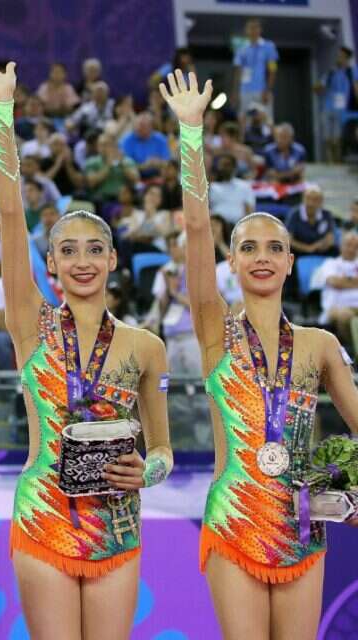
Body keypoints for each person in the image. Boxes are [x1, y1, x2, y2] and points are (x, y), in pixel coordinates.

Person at [0, 52, 172, 639]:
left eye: (94, 249)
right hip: (44, 514)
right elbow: (9, 215)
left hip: (117, 523)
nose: (82, 261)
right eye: (67, 251)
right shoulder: (31, 324)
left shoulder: (146, 346)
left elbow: (163, 451)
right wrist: (2, 112)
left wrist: (147, 471)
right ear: (49, 264)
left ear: (113, 259)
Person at [160, 67, 358, 640]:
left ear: (292, 263)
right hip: (234, 519)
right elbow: (198, 228)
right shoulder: (215, 330)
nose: (263, 257)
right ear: (233, 261)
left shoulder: (320, 345)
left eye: (275, 248)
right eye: (249, 248)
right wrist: (191, 135)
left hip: (301, 524)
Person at [314, 46, 358, 162]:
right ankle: (330, 162)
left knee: (338, 138)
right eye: (338, 56)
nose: (339, 58)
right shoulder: (331, 72)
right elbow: (319, 88)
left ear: (347, 58)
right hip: (328, 107)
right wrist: (317, 87)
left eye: (341, 56)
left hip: (343, 109)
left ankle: (338, 162)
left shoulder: (352, 71)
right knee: (328, 138)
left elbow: (356, 87)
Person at [318, 231, 358, 354]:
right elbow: (334, 282)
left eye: (355, 246)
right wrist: (353, 281)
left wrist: (345, 281)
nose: (351, 249)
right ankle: (354, 351)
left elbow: (340, 282)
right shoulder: (330, 263)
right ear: (341, 246)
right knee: (345, 316)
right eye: (348, 245)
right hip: (337, 307)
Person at [233, 19, 278, 122]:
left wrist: (267, 90)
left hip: (262, 91)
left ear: (260, 30)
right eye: (250, 28)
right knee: (244, 121)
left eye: (256, 27)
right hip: (244, 90)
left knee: (266, 120)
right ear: (246, 30)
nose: (253, 30)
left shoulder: (269, 46)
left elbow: (272, 70)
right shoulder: (241, 48)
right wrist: (236, 92)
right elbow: (238, 71)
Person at [286, 187, 336, 257]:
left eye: (315, 200)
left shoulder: (326, 214)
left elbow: (330, 238)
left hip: (319, 249)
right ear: (303, 199)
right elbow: (289, 240)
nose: (311, 203)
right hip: (298, 251)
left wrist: (317, 246)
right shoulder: (294, 214)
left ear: (321, 202)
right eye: (308, 198)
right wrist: (307, 248)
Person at [209, 153, 255, 225]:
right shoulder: (212, 187)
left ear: (234, 167)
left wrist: (246, 226)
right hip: (217, 225)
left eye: (227, 165)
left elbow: (249, 210)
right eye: (221, 165)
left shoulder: (244, 186)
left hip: (238, 225)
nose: (223, 168)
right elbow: (206, 209)